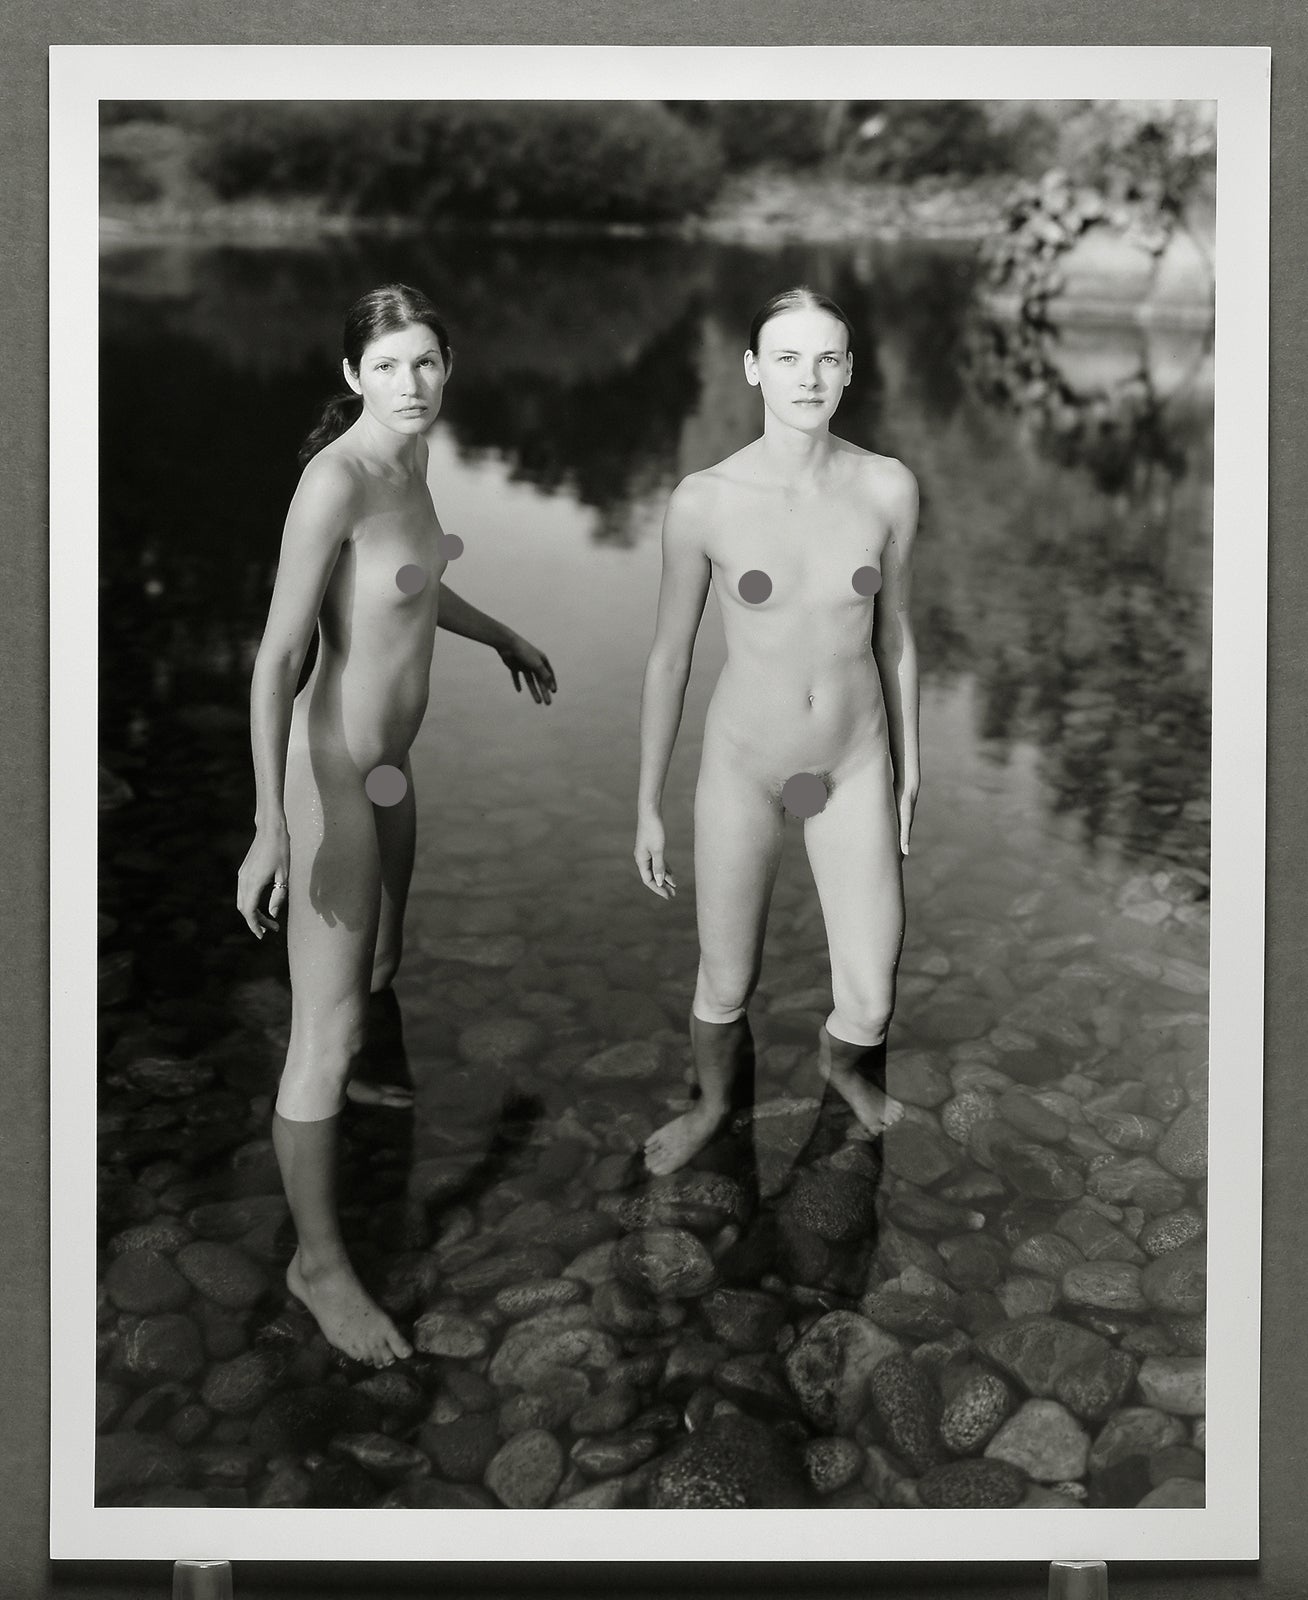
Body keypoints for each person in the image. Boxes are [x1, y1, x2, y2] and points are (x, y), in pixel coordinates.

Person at [236, 284, 556, 1366]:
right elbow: (278, 660)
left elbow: (415, 588)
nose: (410, 385)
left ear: (448, 364)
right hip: (331, 779)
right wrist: (270, 826)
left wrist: (500, 630)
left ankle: (365, 1105)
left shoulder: (414, 461)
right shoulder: (334, 481)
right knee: (317, 1039)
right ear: (351, 378)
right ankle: (318, 1266)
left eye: (425, 363)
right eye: (387, 368)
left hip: (389, 772)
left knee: (383, 962)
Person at [634, 286, 919, 1177]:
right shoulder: (704, 500)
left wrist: (910, 765)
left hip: (853, 759)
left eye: (828, 357)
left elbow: (897, 633)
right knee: (728, 981)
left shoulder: (887, 486)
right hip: (745, 767)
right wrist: (647, 802)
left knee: (869, 998)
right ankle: (717, 1107)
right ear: (753, 369)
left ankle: (841, 1070)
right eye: (787, 358)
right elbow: (669, 657)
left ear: (849, 371)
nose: (809, 376)